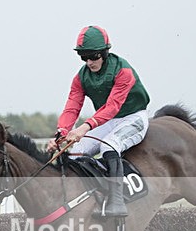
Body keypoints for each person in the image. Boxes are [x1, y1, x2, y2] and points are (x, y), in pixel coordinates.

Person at [47, 25, 150, 217]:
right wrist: (61, 134)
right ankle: (80, 197)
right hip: (108, 121)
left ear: (104, 53)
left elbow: (112, 106)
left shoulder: (123, 70)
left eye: (93, 56)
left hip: (133, 116)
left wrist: (85, 127)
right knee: (76, 151)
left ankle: (117, 201)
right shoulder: (81, 77)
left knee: (109, 146)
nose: (88, 62)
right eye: (83, 57)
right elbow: (72, 107)